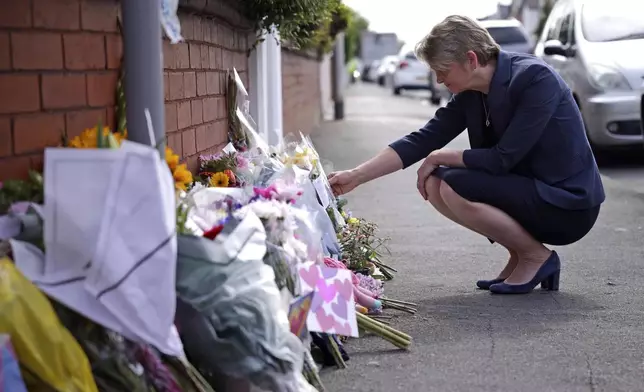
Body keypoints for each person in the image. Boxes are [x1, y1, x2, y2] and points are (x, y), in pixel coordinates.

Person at [327, 15, 605, 295]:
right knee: (436, 183)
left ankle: (536, 257)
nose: (438, 79)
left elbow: (503, 158)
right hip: (529, 192)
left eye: (443, 69)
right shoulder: (472, 93)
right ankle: (521, 254)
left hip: (567, 203)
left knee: (452, 183)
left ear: (471, 60)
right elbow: (421, 139)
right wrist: (356, 176)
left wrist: (440, 156)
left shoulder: (535, 79)